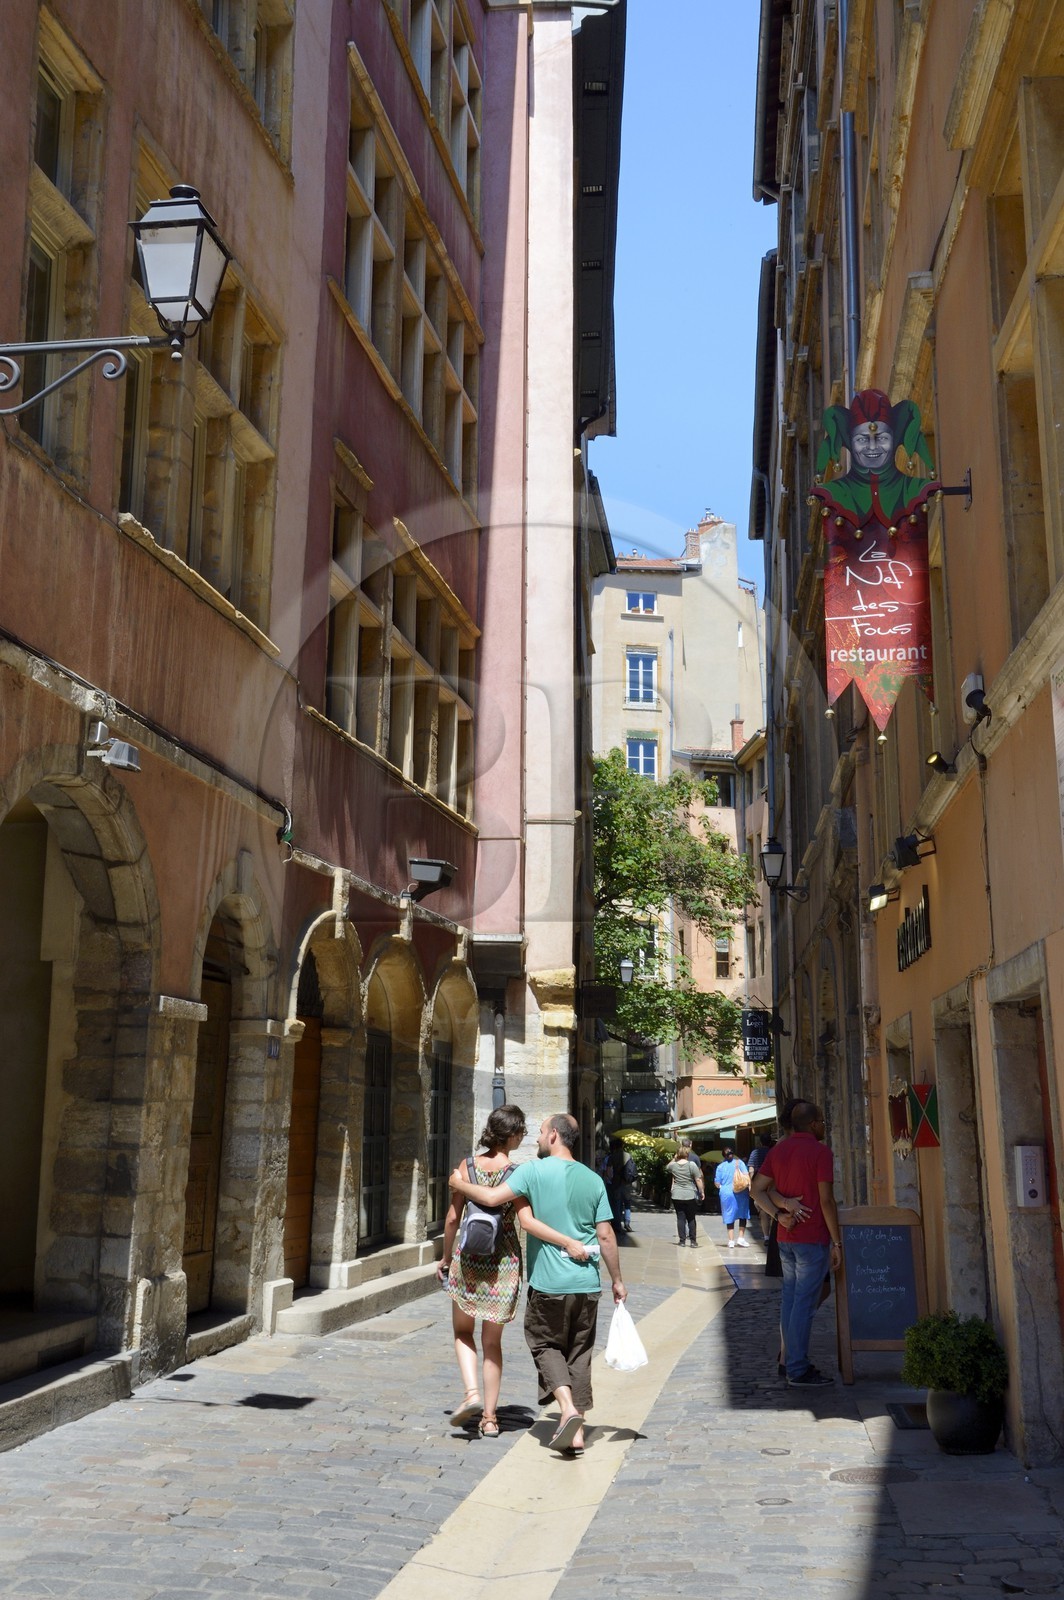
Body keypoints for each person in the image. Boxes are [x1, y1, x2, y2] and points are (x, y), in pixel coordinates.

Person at [450, 1113, 626, 1456]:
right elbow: (606, 1235)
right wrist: (617, 1280)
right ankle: (575, 1432)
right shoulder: (593, 1180)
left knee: (545, 1346)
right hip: (587, 1283)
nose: (537, 1139)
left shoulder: (532, 1171)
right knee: (580, 1353)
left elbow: (489, 1199)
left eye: (542, 1132)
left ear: (555, 1136)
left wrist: (458, 1185)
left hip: (549, 1282)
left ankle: (568, 1408)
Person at [437, 1105, 589, 1436]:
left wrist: (446, 1257)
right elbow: (524, 1218)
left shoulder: (467, 1166)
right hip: (504, 1264)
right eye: (523, 1132)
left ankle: (471, 1394)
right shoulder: (518, 1172)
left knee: (463, 1332)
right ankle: (490, 1418)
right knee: (493, 1343)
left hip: (470, 1261)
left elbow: (452, 1218)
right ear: (514, 1135)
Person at [751, 1101, 843, 1387]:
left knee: (791, 1303)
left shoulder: (779, 1150)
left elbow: (756, 1190)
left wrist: (778, 1214)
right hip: (812, 1237)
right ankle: (798, 1368)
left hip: (786, 1239)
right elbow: (826, 1200)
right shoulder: (820, 1152)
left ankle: (790, 1361)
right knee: (803, 1305)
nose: (825, 1126)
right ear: (814, 1124)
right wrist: (837, 1241)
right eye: (823, 1121)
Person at [665, 1139, 704, 1247]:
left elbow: (667, 1166)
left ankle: (682, 1241)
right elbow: (698, 1179)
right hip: (690, 1194)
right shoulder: (692, 1165)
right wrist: (701, 1191)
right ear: (687, 1154)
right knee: (691, 1218)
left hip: (677, 1194)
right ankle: (693, 1241)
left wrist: (674, 1157)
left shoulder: (674, 1165)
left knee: (680, 1218)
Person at [714, 1145, 751, 1247]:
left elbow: (717, 1183)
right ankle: (741, 1238)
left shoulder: (720, 1167)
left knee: (729, 1215)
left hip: (726, 1193)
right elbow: (746, 1176)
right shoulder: (740, 1163)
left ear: (723, 1156)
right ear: (733, 1153)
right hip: (741, 1192)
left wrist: (723, 1187)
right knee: (743, 1214)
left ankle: (731, 1241)